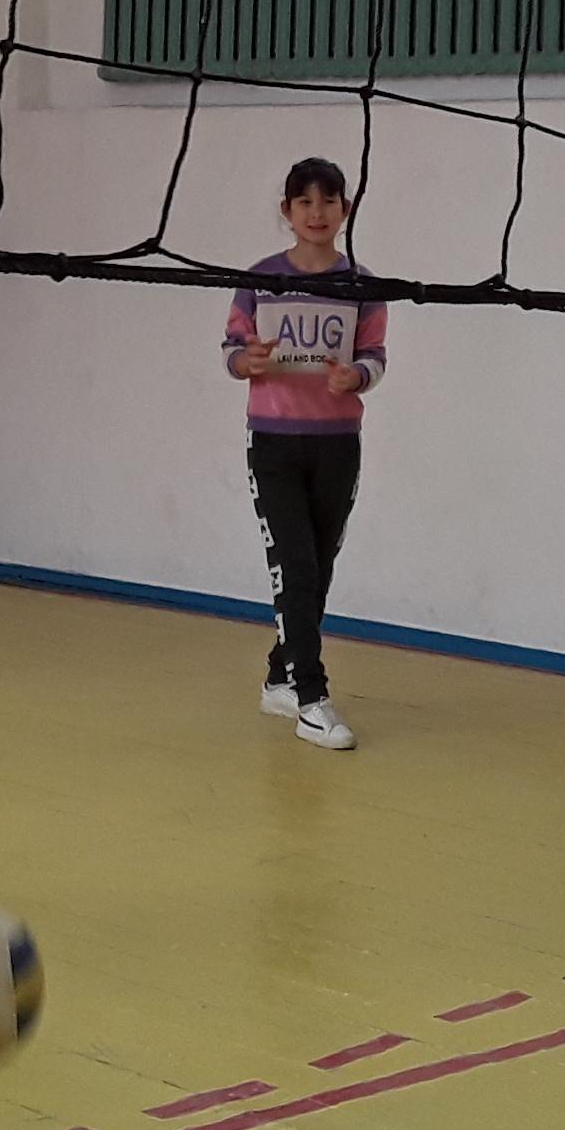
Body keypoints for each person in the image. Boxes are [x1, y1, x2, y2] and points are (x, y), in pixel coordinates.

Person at [223, 156, 387, 752]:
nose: (317, 212)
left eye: (328, 200)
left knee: (317, 567)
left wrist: (356, 377)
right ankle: (312, 699)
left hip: (337, 444)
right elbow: (232, 350)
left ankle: (278, 678)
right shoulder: (260, 279)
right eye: (305, 202)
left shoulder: (363, 285)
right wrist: (247, 362)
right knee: (294, 566)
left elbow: (375, 356)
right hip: (274, 442)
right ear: (287, 211)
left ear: (345, 209)